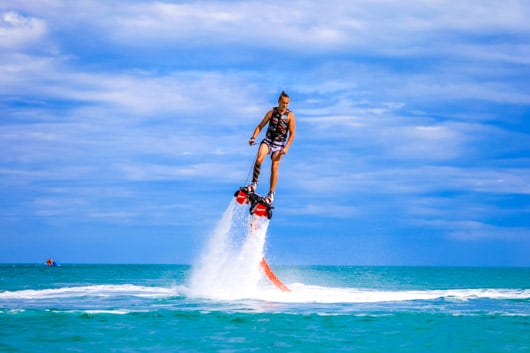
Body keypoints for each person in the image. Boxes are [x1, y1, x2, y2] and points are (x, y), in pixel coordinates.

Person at [243, 91, 296, 204]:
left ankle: (271, 194)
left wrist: (286, 148)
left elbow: (292, 134)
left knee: (274, 166)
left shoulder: (290, 116)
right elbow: (260, 126)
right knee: (259, 158)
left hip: (279, 146)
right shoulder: (271, 112)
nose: (285, 105)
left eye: (287, 103)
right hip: (268, 141)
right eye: (283, 103)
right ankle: (253, 184)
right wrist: (253, 137)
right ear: (278, 102)